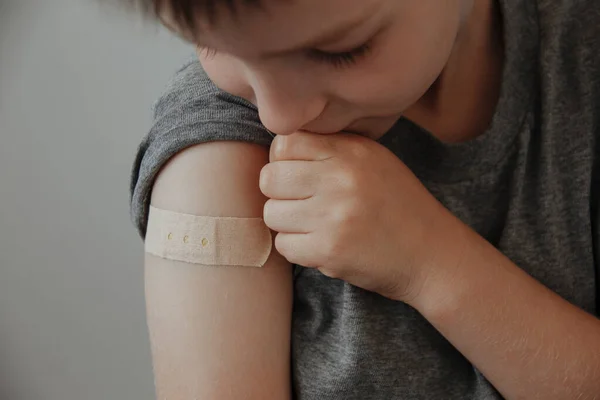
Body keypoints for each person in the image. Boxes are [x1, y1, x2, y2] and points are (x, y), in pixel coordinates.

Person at [128, 0, 600, 398]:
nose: (278, 117)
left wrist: (432, 261)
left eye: (339, 51)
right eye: (215, 45)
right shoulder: (214, 154)